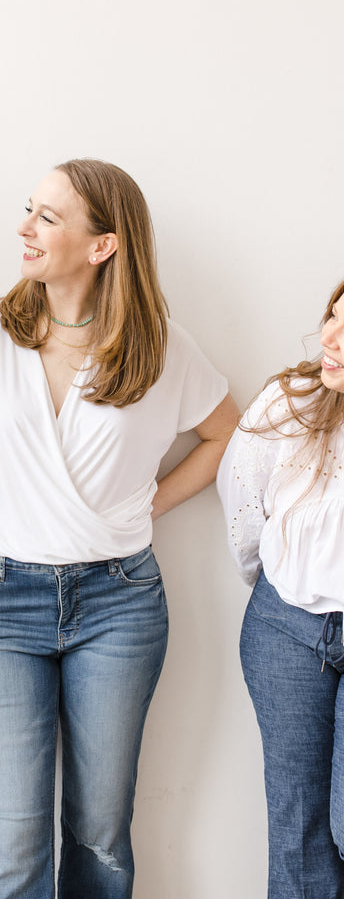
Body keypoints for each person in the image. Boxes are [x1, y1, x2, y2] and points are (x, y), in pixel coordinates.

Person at [0, 158, 238, 899]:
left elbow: (225, 435)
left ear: (103, 245)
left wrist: (149, 503)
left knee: (99, 834)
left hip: (119, 604)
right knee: (15, 841)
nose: (24, 228)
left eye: (48, 218)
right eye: (30, 210)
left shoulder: (160, 350)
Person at [217, 279, 344, 899]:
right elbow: (244, 510)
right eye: (332, 318)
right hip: (286, 630)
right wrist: (275, 584)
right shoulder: (287, 403)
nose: (332, 340)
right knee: (297, 831)